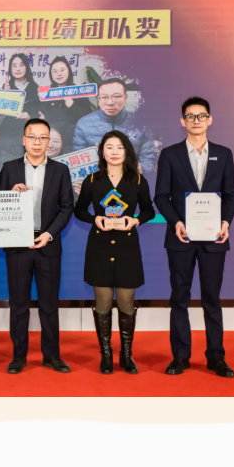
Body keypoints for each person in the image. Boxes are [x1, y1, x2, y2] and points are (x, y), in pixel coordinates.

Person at [154, 97, 234, 378]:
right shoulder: (170, 154)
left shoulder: (224, 154)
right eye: (190, 116)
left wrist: (226, 222)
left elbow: (231, 196)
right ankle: (180, 357)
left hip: (214, 238)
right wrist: (176, 222)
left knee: (211, 298)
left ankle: (216, 357)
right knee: (179, 298)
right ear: (183, 121)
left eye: (201, 116)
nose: (196, 121)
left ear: (209, 120)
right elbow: (161, 196)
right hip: (181, 238)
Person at [0, 118, 74, 374]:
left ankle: (51, 355)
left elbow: (67, 207)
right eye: (32, 137)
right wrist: (9, 194)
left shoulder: (60, 170)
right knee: (18, 304)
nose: (37, 142)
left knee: (49, 304)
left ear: (49, 141)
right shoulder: (9, 168)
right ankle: (18, 356)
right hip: (18, 245)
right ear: (24, 140)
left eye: (42, 137)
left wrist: (49, 234)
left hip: (47, 244)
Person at [73, 130, 155, 374]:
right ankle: (106, 354)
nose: (115, 152)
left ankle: (127, 354)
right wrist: (95, 219)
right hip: (99, 246)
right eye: (110, 147)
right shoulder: (92, 180)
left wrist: (136, 220)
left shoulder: (137, 180)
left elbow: (149, 210)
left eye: (120, 147)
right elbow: (79, 210)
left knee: (127, 301)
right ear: (102, 152)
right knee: (103, 301)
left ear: (127, 151)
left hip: (127, 247)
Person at [72, 78, 157, 173]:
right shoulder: (84, 124)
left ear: (125, 98)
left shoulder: (140, 124)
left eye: (116, 96)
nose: (110, 103)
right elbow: (77, 163)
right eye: (104, 97)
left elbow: (149, 160)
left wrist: (138, 168)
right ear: (99, 100)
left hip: (130, 179)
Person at [39, 56, 92, 148]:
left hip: (73, 142)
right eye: (55, 71)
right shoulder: (46, 93)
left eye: (62, 70)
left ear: (69, 71)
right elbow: (40, 114)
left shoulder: (79, 91)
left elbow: (88, 118)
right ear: (51, 74)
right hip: (51, 143)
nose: (59, 74)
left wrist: (73, 106)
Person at [0, 53, 43, 144]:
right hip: (8, 132)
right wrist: (6, 94)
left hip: (27, 131)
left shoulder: (35, 87)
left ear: (26, 67)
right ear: (10, 69)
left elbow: (38, 113)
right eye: (14, 66)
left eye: (21, 65)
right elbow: (1, 112)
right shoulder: (6, 86)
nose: (18, 69)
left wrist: (29, 117)